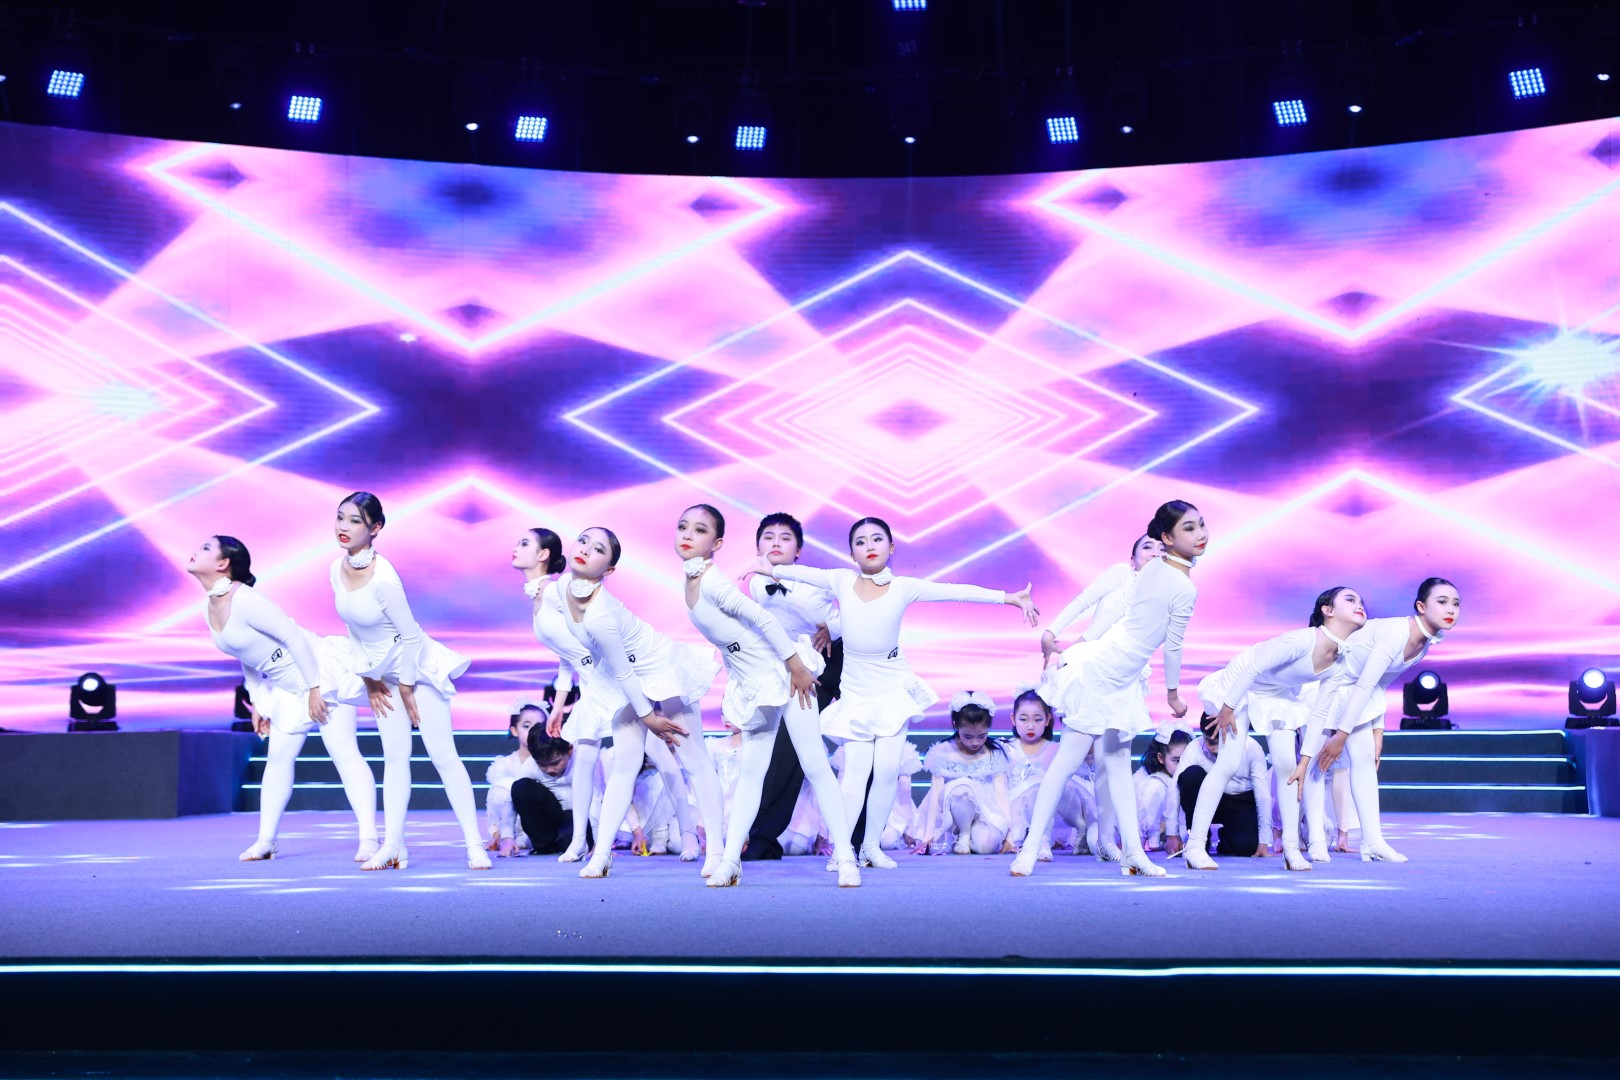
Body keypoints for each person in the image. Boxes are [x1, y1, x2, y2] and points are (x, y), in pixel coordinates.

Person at [749, 516, 1038, 870]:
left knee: (886, 771)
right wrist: (768, 567)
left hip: (892, 686)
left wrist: (1010, 598)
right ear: (851, 553)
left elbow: (956, 591)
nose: (869, 546)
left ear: (891, 546)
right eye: (860, 542)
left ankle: (870, 846)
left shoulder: (904, 587)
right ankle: (844, 850)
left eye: (877, 539)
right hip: (856, 689)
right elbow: (796, 573)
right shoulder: (840, 580)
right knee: (855, 772)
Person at [1012, 501, 1206, 879]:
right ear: (1165, 539)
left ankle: (1132, 853)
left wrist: (1168, 690)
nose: (1200, 534)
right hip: (1100, 671)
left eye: (1201, 525)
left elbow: (1167, 638)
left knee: (1117, 767)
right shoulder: (1146, 576)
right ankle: (1030, 849)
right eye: (1188, 528)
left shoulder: (1174, 582)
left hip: (1124, 680)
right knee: (1066, 763)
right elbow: (1112, 614)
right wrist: (1068, 644)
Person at [675, 505, 859, 887]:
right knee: (751, 771)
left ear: (717, 543)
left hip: (786, 676)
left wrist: (796, 667)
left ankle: (846, 859)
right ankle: (731, 861)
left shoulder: (714, 582)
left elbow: (764, 620)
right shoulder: (695, 578)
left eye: (700, 529)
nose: (688, 534)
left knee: (814, 763)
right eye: (683, 527)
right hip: (755, 683)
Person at [189, 535, 377, 863]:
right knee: (277, 760)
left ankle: (370, 839)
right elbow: (247, 658)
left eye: (206, 548)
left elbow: (292, 637)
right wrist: (259, 703)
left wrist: (315, 688)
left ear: (223, 563)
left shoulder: (246, 599)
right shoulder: (210, 608)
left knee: (344, 754)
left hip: (320, 671)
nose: (195, 550)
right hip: (286, 687)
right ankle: (266, 841)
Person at [326, 493, 488, 872]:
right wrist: (368, 679)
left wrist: (407, 686)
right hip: (382, 673)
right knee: (395, 757)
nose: (343, 527)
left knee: (442, 755)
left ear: (375, 528)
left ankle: (475, 846)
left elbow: (411, 637)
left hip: (417, 669)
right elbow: (353, 630)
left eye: (354, 521)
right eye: (340, 518)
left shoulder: (384, 578)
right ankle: (394, 847)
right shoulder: (336, 569)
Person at [513, 527, 693, 865]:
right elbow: (565, 653)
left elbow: (592, 637)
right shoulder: (541, 597)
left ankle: (688, 834)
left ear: (544, 554)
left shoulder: (557, 590)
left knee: (660, 754)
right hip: (591, 685)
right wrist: (560, 704)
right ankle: (579, 842)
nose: (515, 548)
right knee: (583, 758)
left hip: (613, 678)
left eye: (524, 543)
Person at [562, 526, 724, 880]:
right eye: (583, 541)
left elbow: (624, 671)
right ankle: (601, 855)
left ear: (609, 569)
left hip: (660, 670)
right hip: (628, 679)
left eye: (598, 549)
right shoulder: (562, 589)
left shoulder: (601, 614)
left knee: (694, 760)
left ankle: (717, 852)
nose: (586, 549)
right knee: (625, 764)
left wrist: (651, 718)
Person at [1181, 586, 1367, 872]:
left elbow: (1319, 713)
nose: (1359, 605)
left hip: (1276, 693)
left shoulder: (1339, 662)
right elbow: (1252, 668)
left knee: (1288, 767)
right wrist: (1228, 707)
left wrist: (1306, 760)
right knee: (1228, 762)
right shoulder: (1301, 640)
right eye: (1350, 599)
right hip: (1240, 683)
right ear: (1327, 610)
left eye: (1361, 601)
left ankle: (1291, 849)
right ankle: (1194, 846)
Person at [1289, 577, 1460, 864]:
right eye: (1441, 602)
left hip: (1355, 693)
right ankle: (1316, 840)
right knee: (1319, 764)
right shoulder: (1396, 633)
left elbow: (1378, 684)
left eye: (1455, 603)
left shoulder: (1423, 644)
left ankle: (1372, 842)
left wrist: (1378, 730)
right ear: (1421, 606)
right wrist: (1340, 737)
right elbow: (1366, 684)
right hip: (1322, 685)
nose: (1450, 609)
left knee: (1366, 761)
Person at [1038, 533, 1164, 862]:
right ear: (1133, 558)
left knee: (1112, 762)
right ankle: (1037, 841)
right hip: (1090, 672)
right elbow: (1083, 601)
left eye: (1161, 549)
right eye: (1147, 547)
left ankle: (1108, 840)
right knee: (1069, 759)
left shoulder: (1161, 594)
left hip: (1124, 679)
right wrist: (1052, 633)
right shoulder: (1121, 574)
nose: (1154, 553)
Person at [740, 513, 843, 862]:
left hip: (831, 662)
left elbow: (860, 602)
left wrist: (834, 626)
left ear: (798, 550)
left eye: (785, 538)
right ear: (758, 545)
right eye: (768, 537)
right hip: (789, 667)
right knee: (782, 748)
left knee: (851, 745)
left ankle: (854, 841)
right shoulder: (755, 583)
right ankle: (762, 837)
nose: (776, 543)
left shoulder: (815, 580)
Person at [911, 692, 1015, 855]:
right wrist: (928, 836)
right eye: (968, 736)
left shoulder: (994, 753)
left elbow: (1002, 797)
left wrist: (1009, 837)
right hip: (950, 816)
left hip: (984, 813)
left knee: (985, 847)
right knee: (964, 788)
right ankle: (964, 836)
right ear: (955, 725)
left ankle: (971, 836)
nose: (975, 742)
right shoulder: (942, 752)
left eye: (982, 736)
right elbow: (935, 795)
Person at [1176, 714, 1272, 859]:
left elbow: (1262, 795)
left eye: (1220, 742)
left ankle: (1226, 839)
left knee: (1247, 846)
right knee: (1190, 776)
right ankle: (1198, 840)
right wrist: (1172, 834)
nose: (1215, 749)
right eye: (1210, 742)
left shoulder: (1251, 747)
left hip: (1240, 801)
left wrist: (1264, 840)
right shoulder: (1194, 748)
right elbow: (1174, 788)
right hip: (1207, 800)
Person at [510, 727, 588, 857]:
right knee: (521, 786)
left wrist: (599, 843)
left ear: (569, 751)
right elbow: (515, 799)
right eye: (542, 765)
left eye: (555, 763)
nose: (550, 769)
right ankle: (544, 845)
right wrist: (507, 837)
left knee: (568, 842)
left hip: (581, 817)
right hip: (555, 813)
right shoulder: (531, 765)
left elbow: (596, 799)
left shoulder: (583, 760)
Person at [485, 700, 548, 856]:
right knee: (501, 788)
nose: (533, 731)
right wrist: (496, 831)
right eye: (526, 726)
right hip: (511, 827)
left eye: (539, 726)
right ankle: (503, 837)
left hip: (540, 825)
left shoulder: (551, 763)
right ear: (514, 730)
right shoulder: (504, 765)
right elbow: (495, 802)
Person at [1134, 726, 1191, 853]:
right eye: (1176, 761)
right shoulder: (1154, 784)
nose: (1182, 766)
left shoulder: (1187, 779)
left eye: (1186, 759)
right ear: (1160, 758)